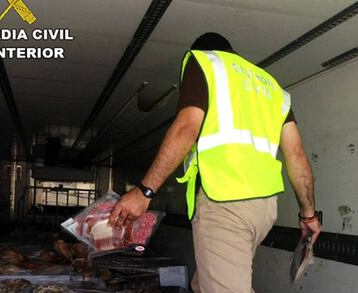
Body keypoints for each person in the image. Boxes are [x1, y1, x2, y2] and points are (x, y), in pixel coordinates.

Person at [109, 32, 321, 292]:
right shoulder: (272, 87)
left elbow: (187, 127)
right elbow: (296, 155)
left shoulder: (204, 62)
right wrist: (308, 214)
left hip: (225, 202)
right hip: (264, 211)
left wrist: (145, 190)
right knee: (204, 284)